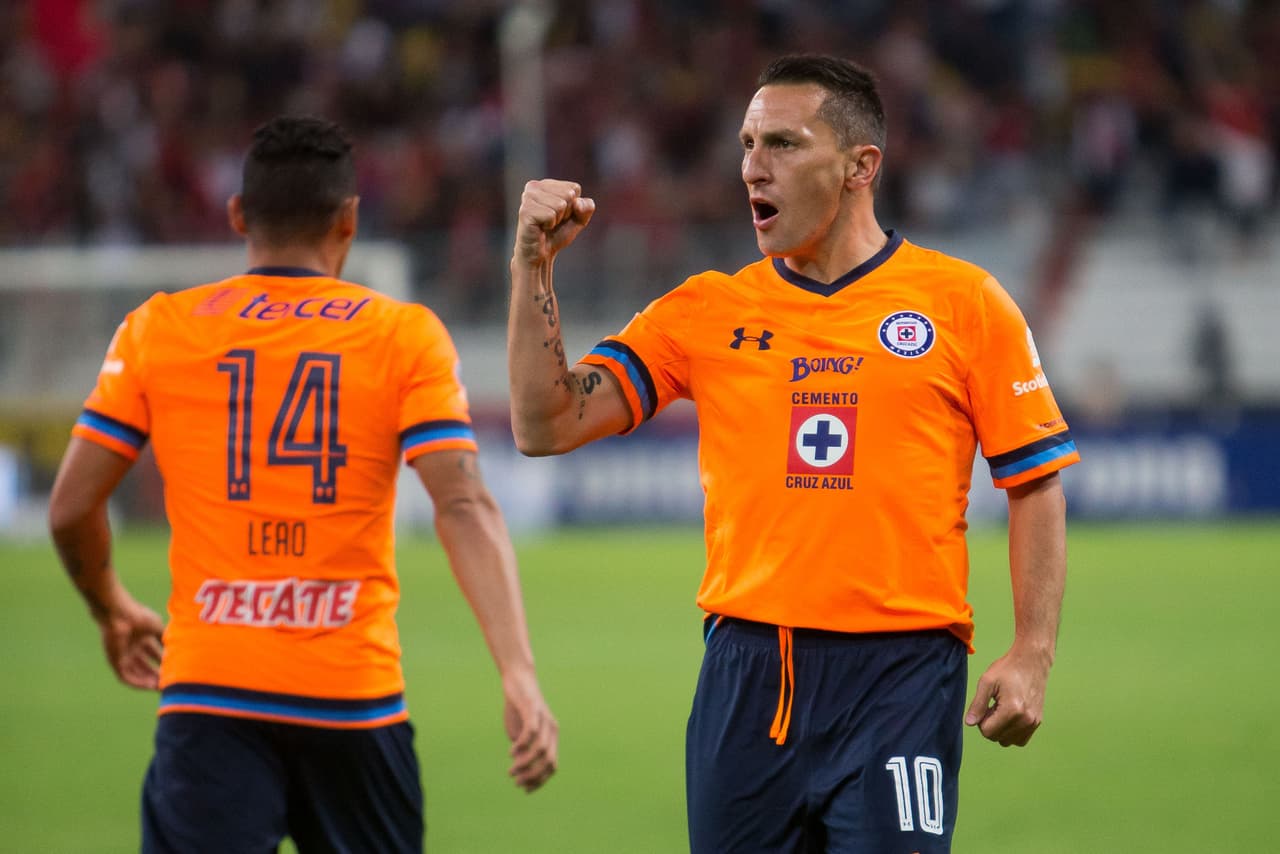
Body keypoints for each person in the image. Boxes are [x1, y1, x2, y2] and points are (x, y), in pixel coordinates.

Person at [507, 54, 1079, 852]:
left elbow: (1034, 483)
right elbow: (546, 425)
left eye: (780, 143)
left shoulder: (964, 304)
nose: (750, 168)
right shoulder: (708, 310)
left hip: (902, 676)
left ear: (859, 167)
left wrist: (1032, 652)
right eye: (746, 144)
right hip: (746, 674)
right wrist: (533, 262)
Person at [48, 116, 558, 853]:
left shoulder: (159, 328)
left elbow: (70, 507)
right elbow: (463, 503)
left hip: (209, 693)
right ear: (348, 219)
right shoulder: (401, 334)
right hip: (352, 699)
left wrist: (112, 608)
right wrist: (517, 672)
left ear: (236, 216)